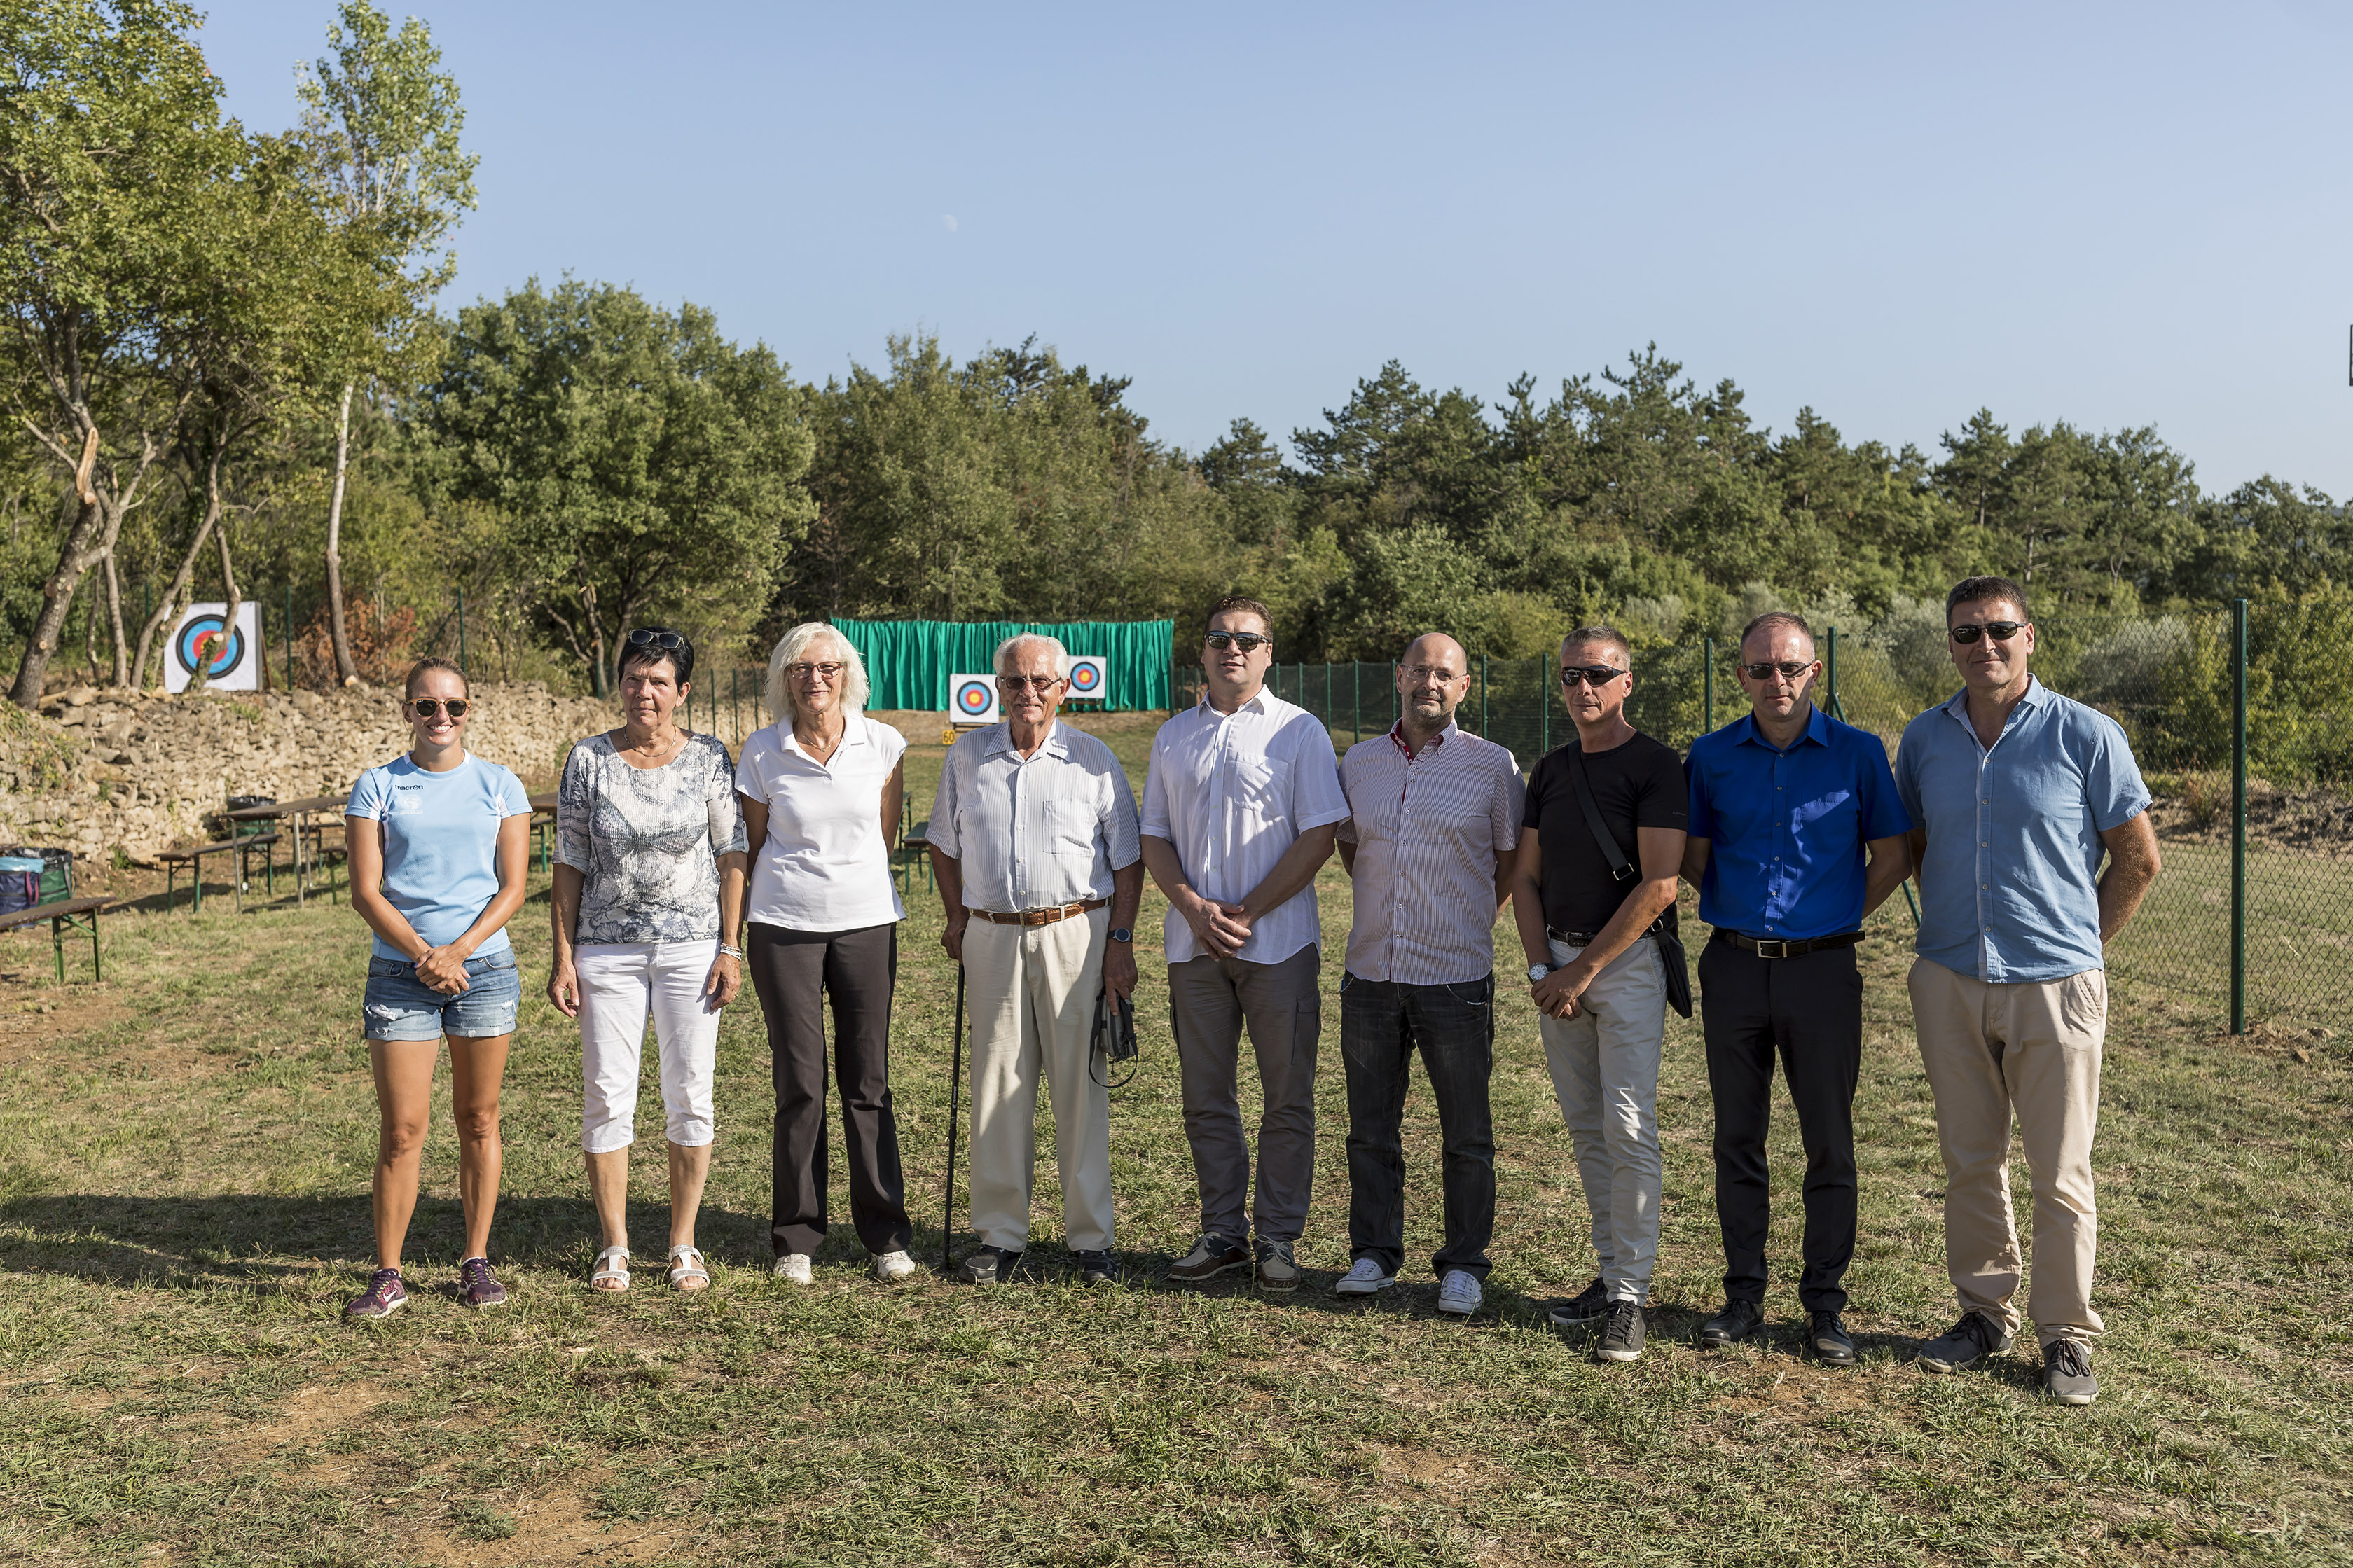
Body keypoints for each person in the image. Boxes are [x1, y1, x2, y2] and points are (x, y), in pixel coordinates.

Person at [1898, 576, 2160, 1406]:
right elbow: (1912, 844)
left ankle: (2065, 1335)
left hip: (2055, 985)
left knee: (2060, 1170)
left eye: (1999, 629)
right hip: (1948, 977)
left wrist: (2079, 949)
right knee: (1969, 1161)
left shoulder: (2085, 733)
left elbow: (2138, 859)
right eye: (1965, 632)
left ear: (2028, 636)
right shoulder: (1923, 739)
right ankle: (1983, 1314)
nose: (1984, 645)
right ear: (1949, 644)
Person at [1683, 612, 1911, 1366]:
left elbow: (1892, 855)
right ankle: (1742, 1297)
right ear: (1740, 676)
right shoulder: (1710, 756)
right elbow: (1693, 855)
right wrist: (1740, 910)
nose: (1775, 680)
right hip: (1733, 967)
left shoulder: (1858, 753)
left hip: (1822, 971)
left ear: (1815, 671)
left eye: (1789, 667)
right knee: (1736, 1137)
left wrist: (1834, 914)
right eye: (1759, 669)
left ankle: (1824, 1305)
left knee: (1828, 1142)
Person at [1140, 595, 1349, 1291]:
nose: (1232, 649)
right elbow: (1153, 835)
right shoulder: (1173, 736)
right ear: (1202, 652)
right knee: (1205, 1096)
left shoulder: (1300, 731)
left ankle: (1278, 1238)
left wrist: (1249, 911)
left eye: (1247, 640)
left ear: (1268, 654)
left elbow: (1319, 834)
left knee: (1286, 1098)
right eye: (1219, 638)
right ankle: (1223, 1233)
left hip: (1278, 944)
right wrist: (1194, 909)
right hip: (1193, 946)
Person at [927, 633, 1145, 1287]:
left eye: (1041, 681)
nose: (1028, 692)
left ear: (1063, 689)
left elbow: (1128, 859)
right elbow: (942, 843)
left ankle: (1091, 1240)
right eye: (1015, 681)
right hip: (991, 935)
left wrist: (1120, 942)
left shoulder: (1094, 757)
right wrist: (956, 916)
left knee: (1081, 1087)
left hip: (1075, 932)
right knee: (997, 1084)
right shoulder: (966, 754)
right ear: (998, 688)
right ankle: (1000, 1234)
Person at [548, 627, 747, 1295]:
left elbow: (731, 853)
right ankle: (615, 1244)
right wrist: (563, 956)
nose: (644, 692)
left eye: (659, 680)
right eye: (634, 678)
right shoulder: (588, 758)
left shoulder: (710, 757)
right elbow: (569, 859)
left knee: (690, 1092)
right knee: (607, 1094)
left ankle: (683, 1242)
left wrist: (730, 946)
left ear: (682, 691)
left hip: (693, 949)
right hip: (606, 951)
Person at [1509, 627, 1687, 1361]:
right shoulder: (1550, 769)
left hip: (1624, 965)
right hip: (1555, 966)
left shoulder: (1656, 766)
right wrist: (1539, 971)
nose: (1583, 687)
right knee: (1586, 1127)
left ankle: (1629, 1298)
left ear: (1626, 682)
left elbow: (1661, 885)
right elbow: (1524, 877)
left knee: (1628, 1124)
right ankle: (1611, 1273)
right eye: (1570, 675)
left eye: (1598, 674)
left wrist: (1580, 972)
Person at [1334, 632, 1522, 1317]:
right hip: (1370, 971)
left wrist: (1465, 915)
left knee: (1466, 1133)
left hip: (1455, 974)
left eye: (1444, 673)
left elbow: (1509, 860)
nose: (1430, 683)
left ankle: (1464, 1264)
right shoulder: (1357, 762)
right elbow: (1350, 846)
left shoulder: (1492, 765)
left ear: (1464, 686)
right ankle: (1373, 1253)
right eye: (1419, 670)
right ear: (1398, 677)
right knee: (1369, 1127)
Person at [343, 657, 532, 1319]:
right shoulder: (377, 785)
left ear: (469, 710)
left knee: (479, 1119)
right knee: (402, 1129)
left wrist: (458, 951)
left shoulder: (501, 784)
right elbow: (366, 891)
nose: (441, 716)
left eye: (454, 705)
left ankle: (475, 1260)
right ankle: (388, 1273)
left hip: (483, 972)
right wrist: (427, 955)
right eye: (427, 706)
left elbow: (514, 887)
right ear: (408, 712)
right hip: (402, 975)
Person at [736, 623, 916, 1285]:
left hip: (866, 923)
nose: (815, 678)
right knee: (799, 1082)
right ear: (785, 678)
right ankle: (797, 1237)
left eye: (827, 667)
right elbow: (754, 846)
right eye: (801, 668)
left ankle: (886, 1235)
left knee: (867, 1080)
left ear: (847, 675)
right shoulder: (762, 749)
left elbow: (884, 837)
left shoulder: (884, 742)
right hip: (782, 926)